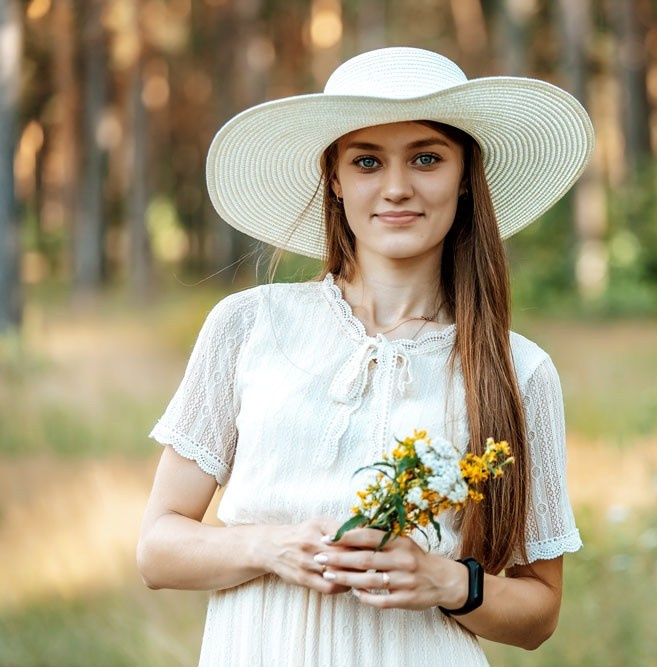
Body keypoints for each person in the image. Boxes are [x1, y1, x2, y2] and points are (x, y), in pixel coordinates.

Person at [136, 46, 593, 666]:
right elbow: (158, 550)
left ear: (465, 177)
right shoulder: (247, 327)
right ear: (335, 177)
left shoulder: (518, 370)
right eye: (367, 161)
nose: (397, 187)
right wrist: (272, 547)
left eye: (427, 158)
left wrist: (445, 581)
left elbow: (539, 612)